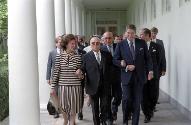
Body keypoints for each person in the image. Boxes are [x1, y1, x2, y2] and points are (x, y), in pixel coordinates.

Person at [113, 24, 153, 125]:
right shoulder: (120, 44)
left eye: (132, 33)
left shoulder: (142, 43)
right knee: (126, 100)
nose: (130, 35)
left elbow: (148, 58)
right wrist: (123, 64)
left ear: (135, 34)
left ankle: (135, 123)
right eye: (128, 33)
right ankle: (125, 121)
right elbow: (115, 60)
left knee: (137, 101)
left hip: (139, 78)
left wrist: (150, 71)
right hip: (126, 77)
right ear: (126, 33)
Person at [50, 34, 83, 125]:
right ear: (66, 44)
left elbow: (82, 75)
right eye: (72, 43)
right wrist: (52, 87)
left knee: (73, 108)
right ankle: (65, 120)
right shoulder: (59, 57)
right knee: (63, 107)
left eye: (75, 43)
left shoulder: (78, 57)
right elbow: (56, 73)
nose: (74, 45)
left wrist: (80, 74)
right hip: (63, 86)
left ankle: (72, 122)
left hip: (75, 87)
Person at [81, 36, 112, 125]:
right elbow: (83, 69)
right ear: (90, 45)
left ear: (100, 44)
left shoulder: (107, 54)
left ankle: (103, 120)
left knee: (104, 106)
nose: (95, 45)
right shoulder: (86, 56)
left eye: (97, 43)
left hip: (105, 86)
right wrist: (80, 72)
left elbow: (111, 68)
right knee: (95, 108)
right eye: (93, 43)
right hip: (92, 86)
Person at [140, 28, 162, 123]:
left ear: (148, 35)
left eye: (142, 35)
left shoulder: (157, 46)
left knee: (153, 95)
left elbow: (159, 60)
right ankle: (147, 114)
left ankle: (151, 107)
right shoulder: (138, 46)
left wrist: (160, 71)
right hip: (142, 75)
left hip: (154, 75)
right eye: (140, 34)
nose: (140, 36)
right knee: (143, 96)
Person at [101, 32, 122, 123]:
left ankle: (114, 107)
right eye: (106, 38)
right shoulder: (101, 49)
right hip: (106, 78)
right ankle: (109, 118)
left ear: (113, 38)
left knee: (118, 96)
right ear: (103, 39)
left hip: (117, 76)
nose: (108, 40)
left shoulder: (119, 46)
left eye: (110, 38)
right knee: (107, 99)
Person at [46, 36, 62, 118]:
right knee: (54, 94)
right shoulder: (52, 52)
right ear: (56, 43)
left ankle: (63, 110)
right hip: (54, 77)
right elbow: (49, 65)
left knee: (63, 94)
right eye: (59, 42)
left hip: (64, 77)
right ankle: (55, 111)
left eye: (62, 42)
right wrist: (48, 77)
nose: (61, 43)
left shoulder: (66, 51)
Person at [151, 27, 166, 109]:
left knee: (156, 85)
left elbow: (163, 55)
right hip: (148, 68)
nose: (153, 35)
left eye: (155, 33)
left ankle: (155, 101)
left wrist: (164, 68)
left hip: (158, 68)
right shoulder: (145, 41)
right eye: (152, 33)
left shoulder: (160, 42)